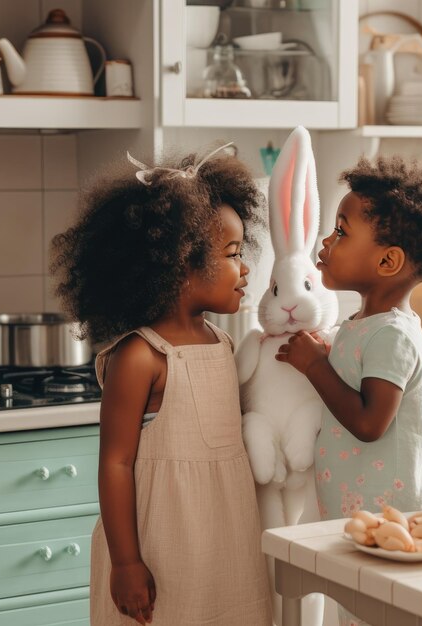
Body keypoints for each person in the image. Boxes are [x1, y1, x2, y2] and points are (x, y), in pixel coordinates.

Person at [50, 144, 272, 626]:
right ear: (180, 266)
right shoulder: (140, 356)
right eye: (233, 254)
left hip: (224, 542)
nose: (246, 267)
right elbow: (115, 462)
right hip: (159, 545)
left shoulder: (221, 342)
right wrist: (126, 563)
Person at [275, 155, 422, 626]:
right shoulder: (366, 325)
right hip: (364, 518)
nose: (326, 241)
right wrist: (328, 351)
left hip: (396, 519)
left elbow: (369, 422)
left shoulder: (393, 334)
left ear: (387, 260)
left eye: (341, 232)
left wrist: (316, 365)